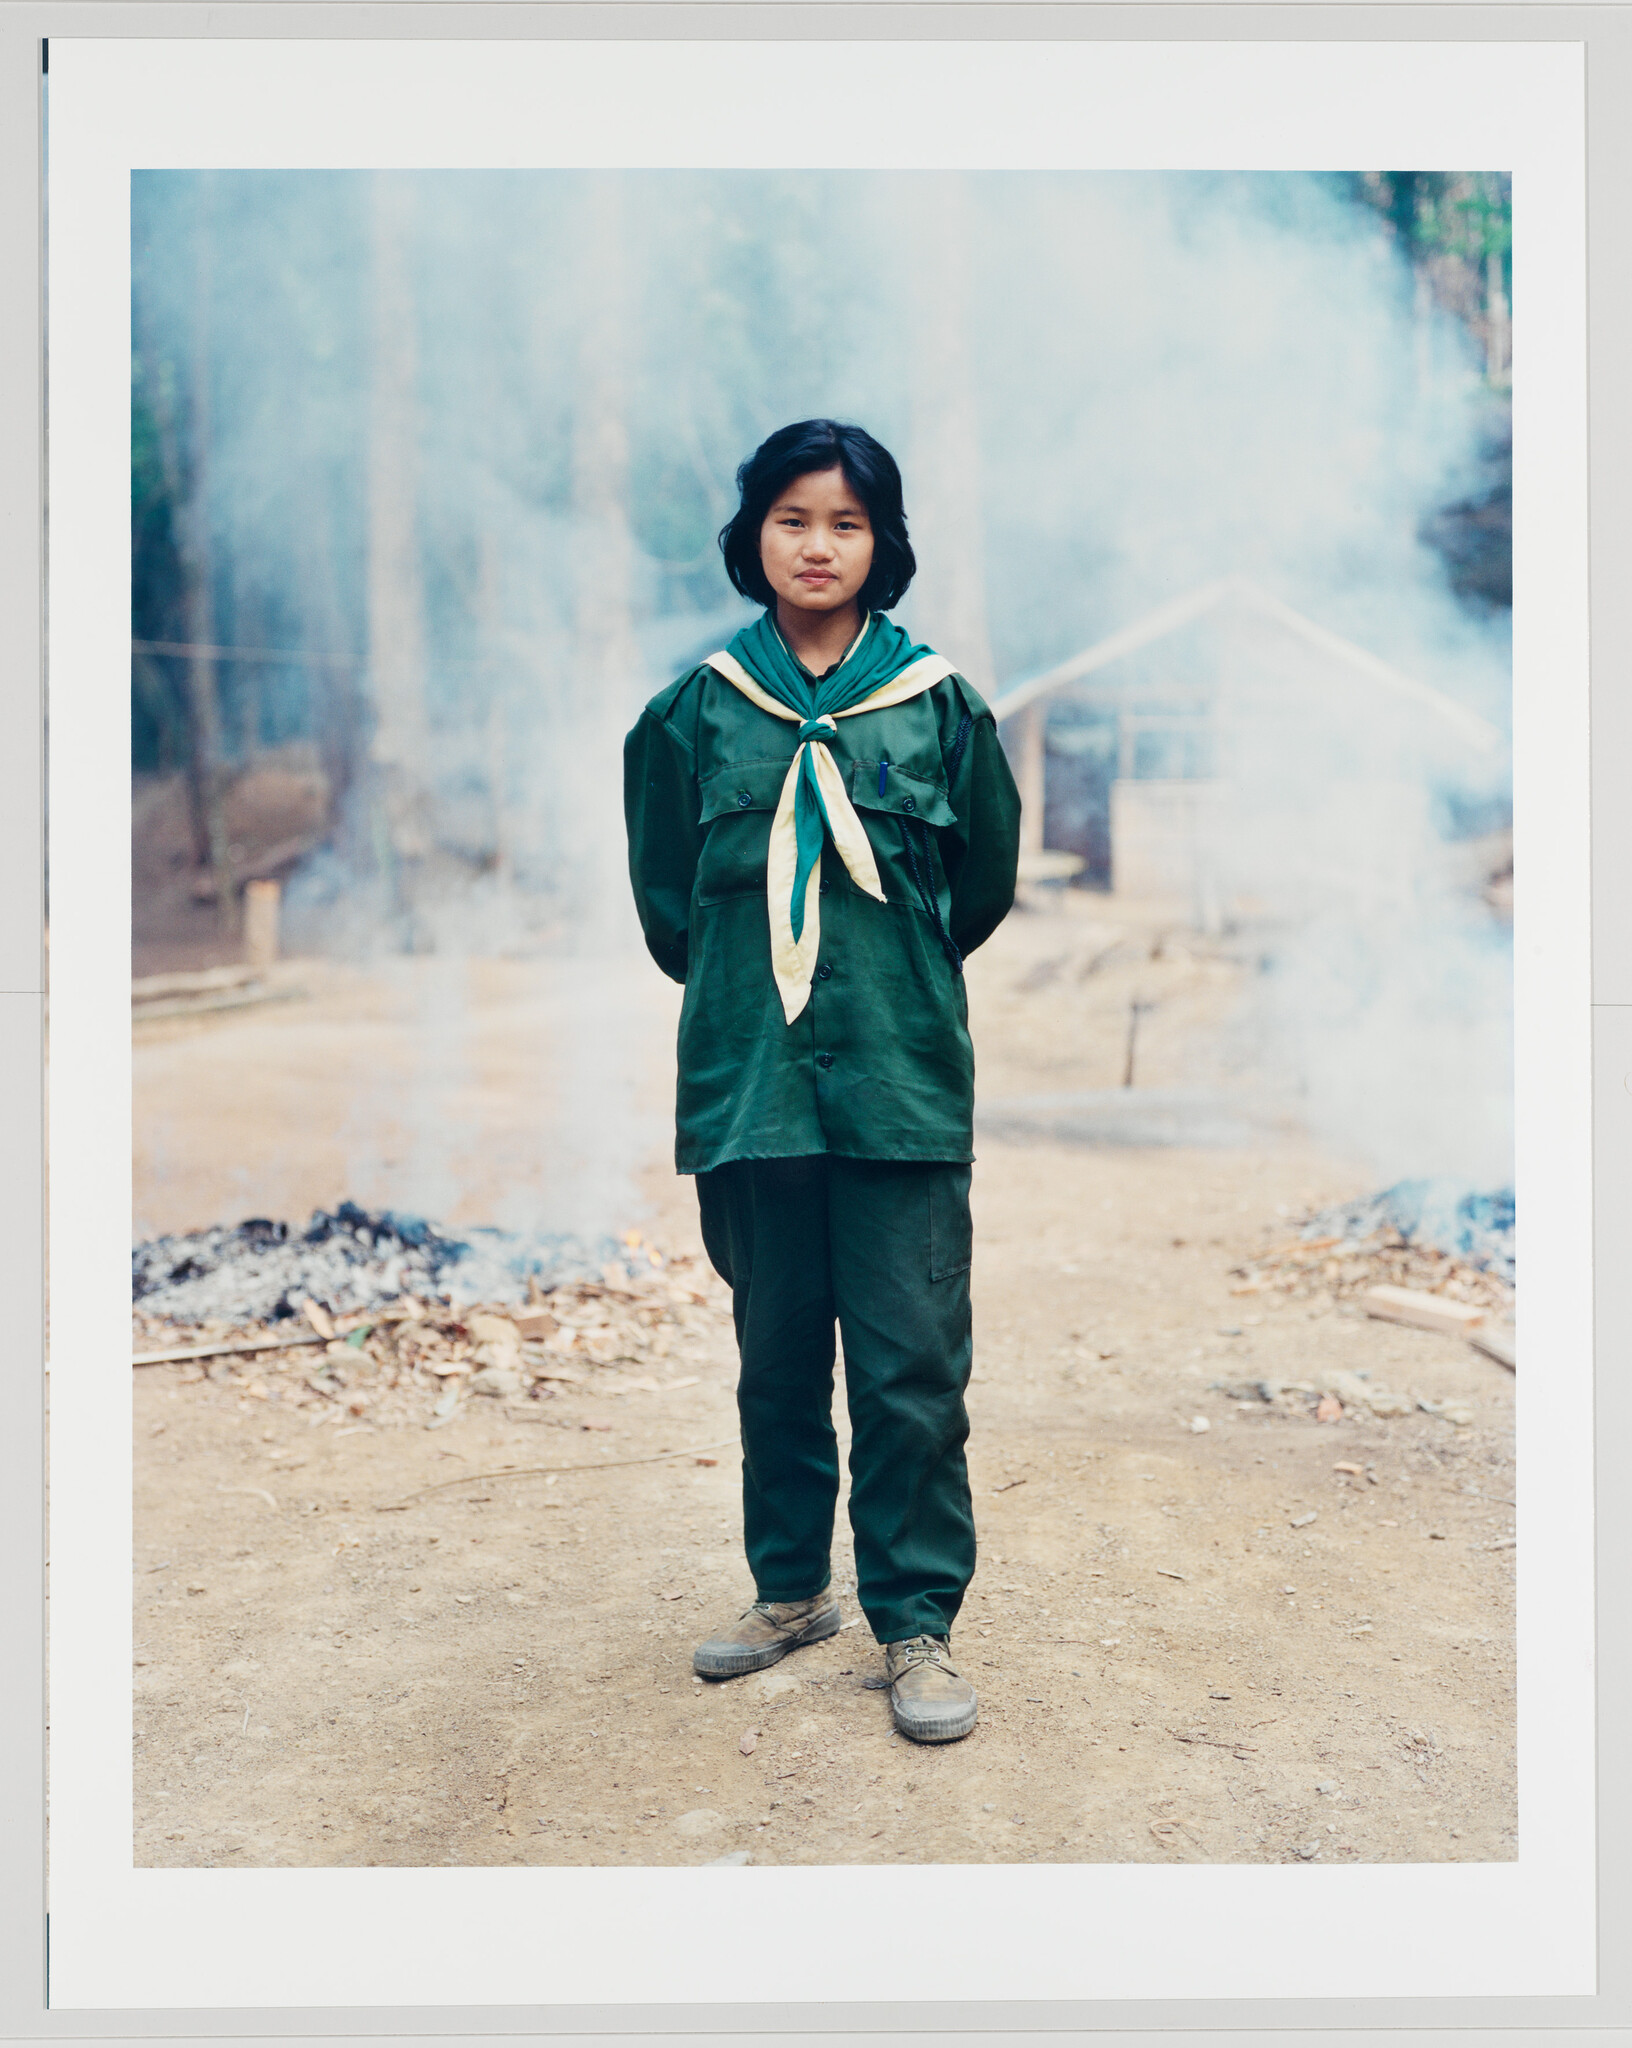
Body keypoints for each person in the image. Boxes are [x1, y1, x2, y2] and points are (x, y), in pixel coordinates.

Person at [623, 419, 1020, 1743]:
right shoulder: (691, 715)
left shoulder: (942, 706)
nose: (817, 544)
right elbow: (670, 907)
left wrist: (881, 977)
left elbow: (978, 890)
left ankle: (916, 1621)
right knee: (777, 1352)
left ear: (881, 544)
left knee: (912, 1363)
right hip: (753, 1083)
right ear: (755, 536)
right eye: (793, 518)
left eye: (845, 522)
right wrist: (768, 996)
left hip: (901, 1084)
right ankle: (791, 1590)